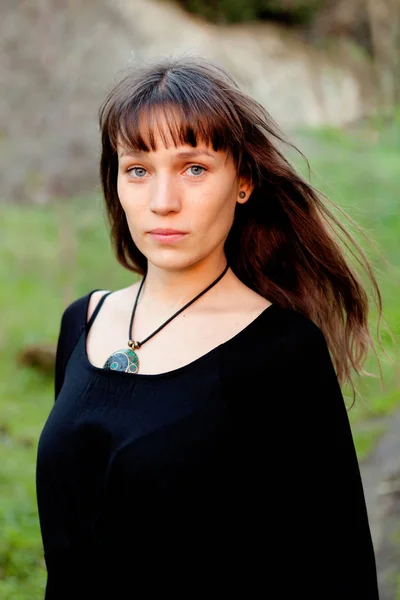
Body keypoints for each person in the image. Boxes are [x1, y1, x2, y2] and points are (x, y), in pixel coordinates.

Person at [36, 55, 383, 599]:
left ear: (242, 182)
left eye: (194, 168)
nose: (162, 202)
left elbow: (339, 568)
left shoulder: (282, 350)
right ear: (117, 183)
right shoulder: (82, 322)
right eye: (139, 169)